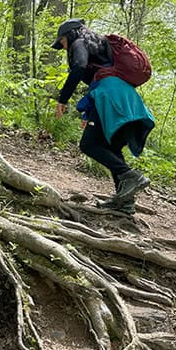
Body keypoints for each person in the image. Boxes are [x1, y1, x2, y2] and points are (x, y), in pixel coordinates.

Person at [51, 18, 155, 214]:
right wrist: (88, 113)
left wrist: (62, 99)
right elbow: (99, 81)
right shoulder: (101, 48)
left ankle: (130, 175)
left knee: (88, 144)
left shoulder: (79, 43)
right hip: (127, 99)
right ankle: (124, 204)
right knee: (112, 148)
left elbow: (79, 67)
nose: (63, 46)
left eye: (62, 41)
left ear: (70, 35)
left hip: (111, 97)